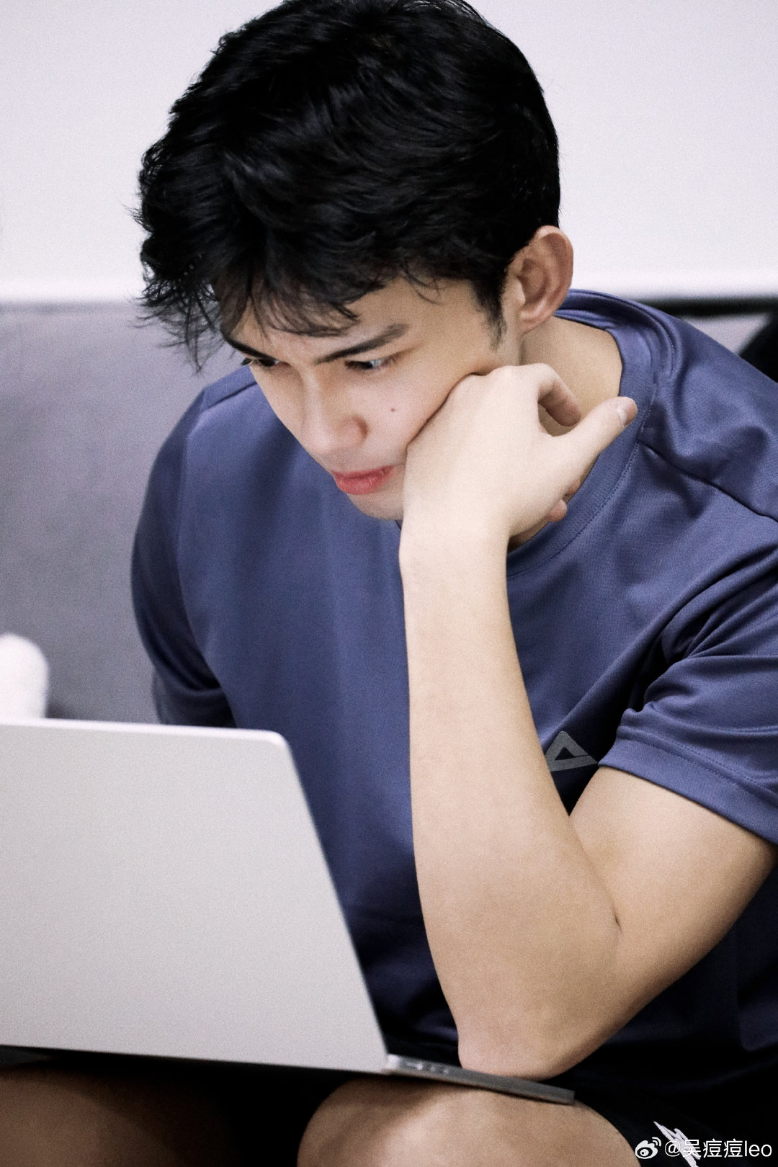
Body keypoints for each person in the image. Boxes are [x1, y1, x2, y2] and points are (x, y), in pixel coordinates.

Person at [3, 1, 777, 1163]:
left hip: (667, 1102)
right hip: (345, 1054)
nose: (322, 428)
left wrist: (449, 553)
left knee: (418, 1151)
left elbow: (528, 1022)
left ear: (529, 279)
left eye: (366, 359)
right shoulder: (218, 464)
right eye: (268, 361)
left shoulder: (745, 530)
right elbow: (230, 884)